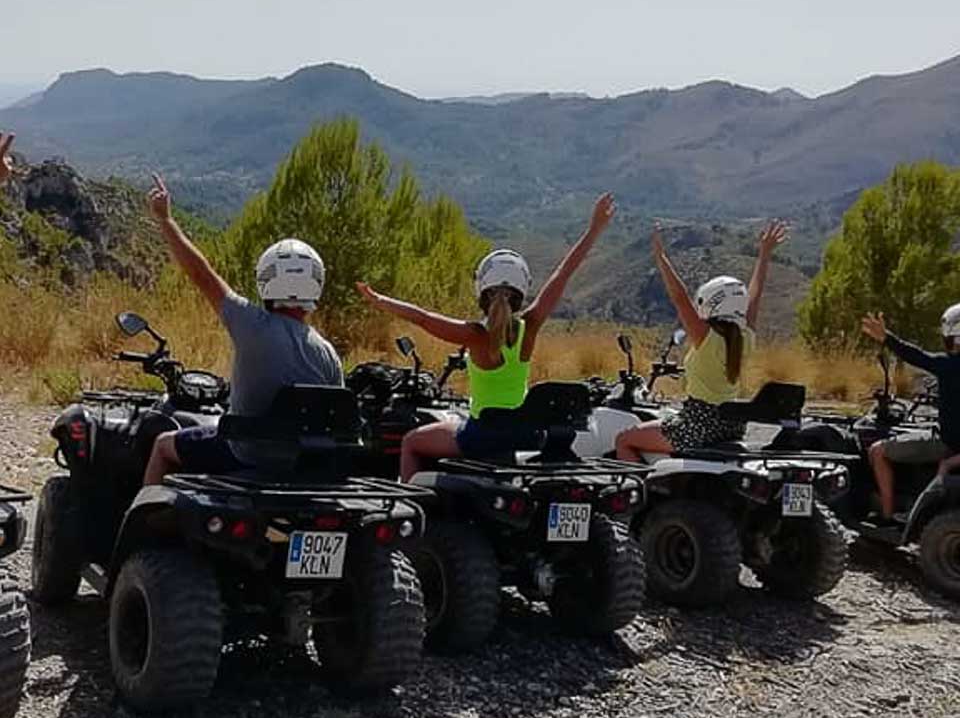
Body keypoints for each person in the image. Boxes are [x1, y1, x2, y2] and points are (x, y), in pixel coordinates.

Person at [356, 194, 617, 480]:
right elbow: (563, 274)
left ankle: (416, 511)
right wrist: (595, 229)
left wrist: (379, 299)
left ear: (482, 288)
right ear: (522, 291)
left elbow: (422, 317)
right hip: (526, 435)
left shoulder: (474, 335)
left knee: (411, 442)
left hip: (482, 436)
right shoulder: (529, 326)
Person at [142, 174, 343, 485]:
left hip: (243, 454)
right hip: (302, 465)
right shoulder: (328, 353)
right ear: (316, 284)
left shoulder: (251, 324)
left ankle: (143, 526)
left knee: (163, 445)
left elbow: (201, 274)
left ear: (266, 279)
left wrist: (166, 219)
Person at [616, 220, 788, 460]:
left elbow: (679, 297)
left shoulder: (707, 339)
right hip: (731, 426)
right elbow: (755, 295)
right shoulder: (745, 337)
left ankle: (640, 493)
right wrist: (764, 254)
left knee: (624, 439)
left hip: (697, 426)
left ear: (710, 304)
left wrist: (661, 257)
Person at [860, 307, 960, 523]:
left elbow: (916, 356)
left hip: (949, 444)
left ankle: (887, 516)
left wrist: (887, 338)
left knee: (878, 451)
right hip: (953, 445)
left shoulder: (949, 365)